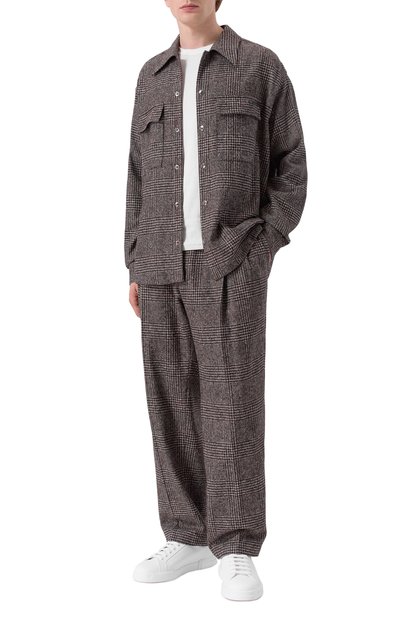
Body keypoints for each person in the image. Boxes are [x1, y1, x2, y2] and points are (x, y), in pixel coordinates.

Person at [124, 0, 307, 602]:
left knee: (231, 403)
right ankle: (188, 534)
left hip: (230, 261)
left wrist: (260, 249)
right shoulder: (151, 76)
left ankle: (234, 544)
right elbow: (136, 176)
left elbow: (290, 166)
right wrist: (133, 261)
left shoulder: (259, 66)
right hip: (159, 263)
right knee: (170, 401)